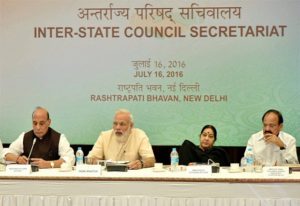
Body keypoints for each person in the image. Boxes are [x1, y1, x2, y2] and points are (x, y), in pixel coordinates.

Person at [4, 106, 75, 168]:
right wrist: (18, 159)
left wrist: (49, 164)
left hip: (52, 180)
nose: (37, 127)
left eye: (41, 123)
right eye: (35, 123)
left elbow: (70, 159)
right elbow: (6, 154)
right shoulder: (25, 137)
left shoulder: (59, 138)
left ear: (49, 122)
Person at [88, 109, 155, 169]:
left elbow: (150, 159)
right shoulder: (104, 136)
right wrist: (93, 160)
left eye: (122, 124)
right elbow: (92, 157)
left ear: (131, 126)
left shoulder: (140, 135)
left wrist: (141, 163)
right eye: (115, 123)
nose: (117, 127)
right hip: (109, 176)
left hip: (132, 176)